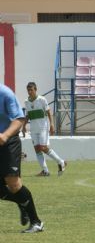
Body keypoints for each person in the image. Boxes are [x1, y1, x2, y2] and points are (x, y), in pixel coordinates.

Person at [0, 83, 44, 233]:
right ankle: (21, 202)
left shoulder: (5, 93)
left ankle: (36, 222)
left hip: (9, 140)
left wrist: (5, 135)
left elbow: (19, 119)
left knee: (13, 183)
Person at [21, 82, 67, 177]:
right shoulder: (26, 102)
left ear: (36, 90)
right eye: (28, 90)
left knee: (43, 148)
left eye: (31, 90)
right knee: (37, 149)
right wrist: (24, 126)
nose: (30, 92)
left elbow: (49, 113)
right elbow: (27, 115)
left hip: (43, 127)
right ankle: (45, 171)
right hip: (33, 129)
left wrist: (52, 125)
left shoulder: (42, 100)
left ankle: (61, 162)